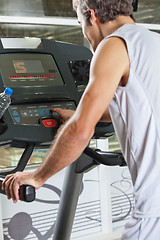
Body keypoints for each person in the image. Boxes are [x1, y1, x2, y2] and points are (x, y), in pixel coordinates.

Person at [2, 0, 160, 239]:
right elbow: (135, 105)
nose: (85, 35)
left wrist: (37, 176)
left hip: (153, 215)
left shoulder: (113, 46)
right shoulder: (152, 40)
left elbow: (80, 130)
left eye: (80, 23)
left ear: (92, 15)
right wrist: (80, 113)